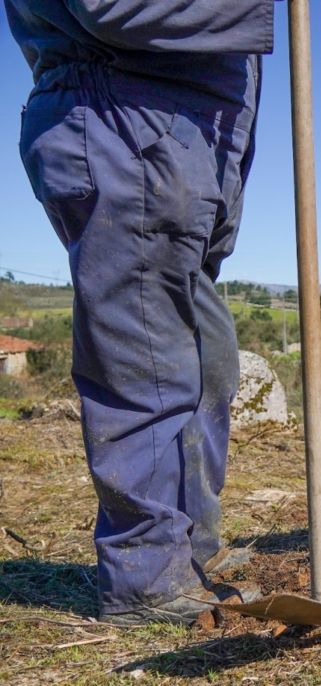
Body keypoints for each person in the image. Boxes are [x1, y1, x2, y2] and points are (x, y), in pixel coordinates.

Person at [6, 0, 279, 624]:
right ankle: (147, 578)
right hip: (129, 126)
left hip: (176, 140)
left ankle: (189, 546)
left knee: (208, 356)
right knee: (148, 363)